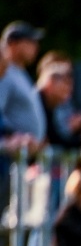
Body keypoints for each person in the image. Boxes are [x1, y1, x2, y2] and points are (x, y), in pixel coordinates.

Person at [0, 22, 45, 151]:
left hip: (26, 152)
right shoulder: (6, 75)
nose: (35, 46)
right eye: (30, 41)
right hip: (12, 152)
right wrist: (15, 136)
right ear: (13, 44)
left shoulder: (21, 73)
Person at [37, 61, 81, 149]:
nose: (69, 91)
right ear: (50, 82)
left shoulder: (49, 105)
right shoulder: (36, 102)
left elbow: (56, 139)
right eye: (66, 84)